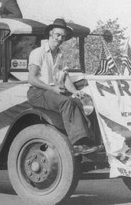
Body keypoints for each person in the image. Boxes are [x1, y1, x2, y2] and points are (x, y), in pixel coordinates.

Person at [27, 19, 98, 155]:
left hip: (53, 93)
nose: (60, 39)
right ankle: (77, 144)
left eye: (63, 37)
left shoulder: (60, 55)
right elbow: (31, 79)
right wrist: (52, 89)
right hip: (38, 92)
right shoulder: (38, 52)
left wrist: (75, 92)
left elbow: (65, 78)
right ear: (50, 34)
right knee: (66, 102)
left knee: (80, 102)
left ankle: (89, 142)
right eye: (57, 35)